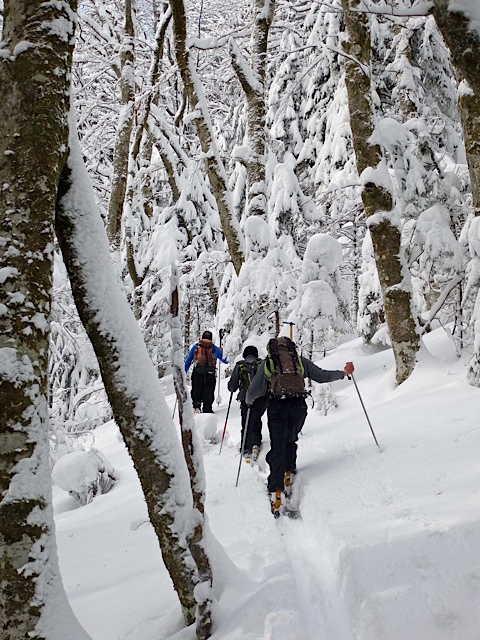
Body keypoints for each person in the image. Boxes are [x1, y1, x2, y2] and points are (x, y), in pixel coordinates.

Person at [246, 335, 354, 517]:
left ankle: (276, 489)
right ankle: (288, 472)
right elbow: (321, 375)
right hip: (298, 407)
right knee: (290, 440)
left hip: (277, 407)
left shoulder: (269, 363)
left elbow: (255, 390)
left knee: (278, 445)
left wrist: (249, 400)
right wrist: (343, 373)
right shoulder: (299, 361)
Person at [227, 345, 268, 463]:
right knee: (256, 418)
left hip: (246, 399)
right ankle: (256, 443)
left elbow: (232, 386)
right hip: (261, 399)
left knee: (246, 421)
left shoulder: (240, 366)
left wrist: (231, 388)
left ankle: (246, 447)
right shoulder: (261, 364)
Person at [185, 330, 228, 413]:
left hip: (198, 372)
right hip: (210, 374)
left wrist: (183, 372)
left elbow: (188, 361)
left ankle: (196, 407)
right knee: (208, 391)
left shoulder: (197, 347)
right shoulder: (214, 348)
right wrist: (221, 351)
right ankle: (207, 409)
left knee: (196, 390)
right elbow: (225, 360)